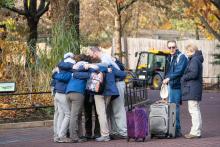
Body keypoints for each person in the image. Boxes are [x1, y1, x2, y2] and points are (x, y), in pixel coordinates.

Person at [88, 46, 127, 140]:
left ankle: (123, 132)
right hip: (112, 85)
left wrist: (91, 66)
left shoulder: (104, 58)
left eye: (90, 54)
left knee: (118, 108)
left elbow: (106, 66)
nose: (90, 56)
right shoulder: (104, 58)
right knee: (111, 110)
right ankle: (116, 131)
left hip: (117, 83)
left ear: (95, 52)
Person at [163, 40, 188, 137]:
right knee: (170, 108)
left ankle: (176, 130)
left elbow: (179, 71)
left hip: (176, 86)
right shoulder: (169, 57)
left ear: (176, 47)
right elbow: (167, 71)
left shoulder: (181, 57)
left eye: (173, 47)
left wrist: (168, 78)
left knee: (174, 108)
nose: (171, 49)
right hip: (169, 85)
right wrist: (165, 81)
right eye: (169, 47)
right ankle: (171, 129)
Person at [181, 44, 203, 139]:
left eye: (188, 51)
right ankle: (196, 131)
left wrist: (184, 77)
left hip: (193, 89)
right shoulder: (197, 59)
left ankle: (195, 132)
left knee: (194, 110)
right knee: (195, 110)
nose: (186, 53)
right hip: (194, 88)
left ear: (192, 51)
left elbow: (193, 74)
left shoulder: (194, 60)